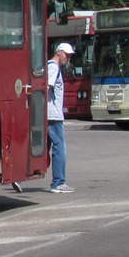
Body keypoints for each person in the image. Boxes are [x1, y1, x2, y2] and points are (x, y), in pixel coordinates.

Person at [48, 41, 75, 193]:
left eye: (70, 56)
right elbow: (47, 87)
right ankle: (58, 182)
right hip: (53, 116)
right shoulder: (53, 67)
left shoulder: (51, 66)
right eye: (66, 54)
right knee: (60, 147)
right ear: (58, 52)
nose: (68, 58)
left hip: (49, 114)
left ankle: (19, 176)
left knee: (43, 149)